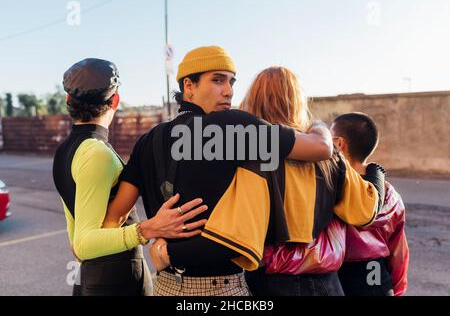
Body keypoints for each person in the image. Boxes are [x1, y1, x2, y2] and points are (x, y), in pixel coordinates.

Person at [110, 46, 334, 296]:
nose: (228, 91)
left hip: (165, 287)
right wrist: (320, 125)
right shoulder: (232, 127)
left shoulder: (147, 141)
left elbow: (113, 221)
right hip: (222, 289)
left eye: (231, 82)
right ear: (189, 86)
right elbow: (322, 148)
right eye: (217, 80)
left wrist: (150, 230)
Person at [53, 58, 208, 296]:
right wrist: (147, 229)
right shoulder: (96, 152)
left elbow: (76, 240)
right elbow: (84, 244)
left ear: (68, 100)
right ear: (115, 100)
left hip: (93, 276)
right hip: (115, 279)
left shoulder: (65, 150)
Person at [238, 66, 386, 296]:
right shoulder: (326, 156)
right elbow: (364, 213)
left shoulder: (243, 153)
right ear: (298, 101)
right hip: (322, 284)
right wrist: (376, 174)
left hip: (259, 280)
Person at [332, 112, 409, 296]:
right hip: (380, 284)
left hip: (338, 283)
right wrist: (397, 291)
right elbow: (399, 253)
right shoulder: (391, 194)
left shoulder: (331, 189)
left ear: (338, 144)